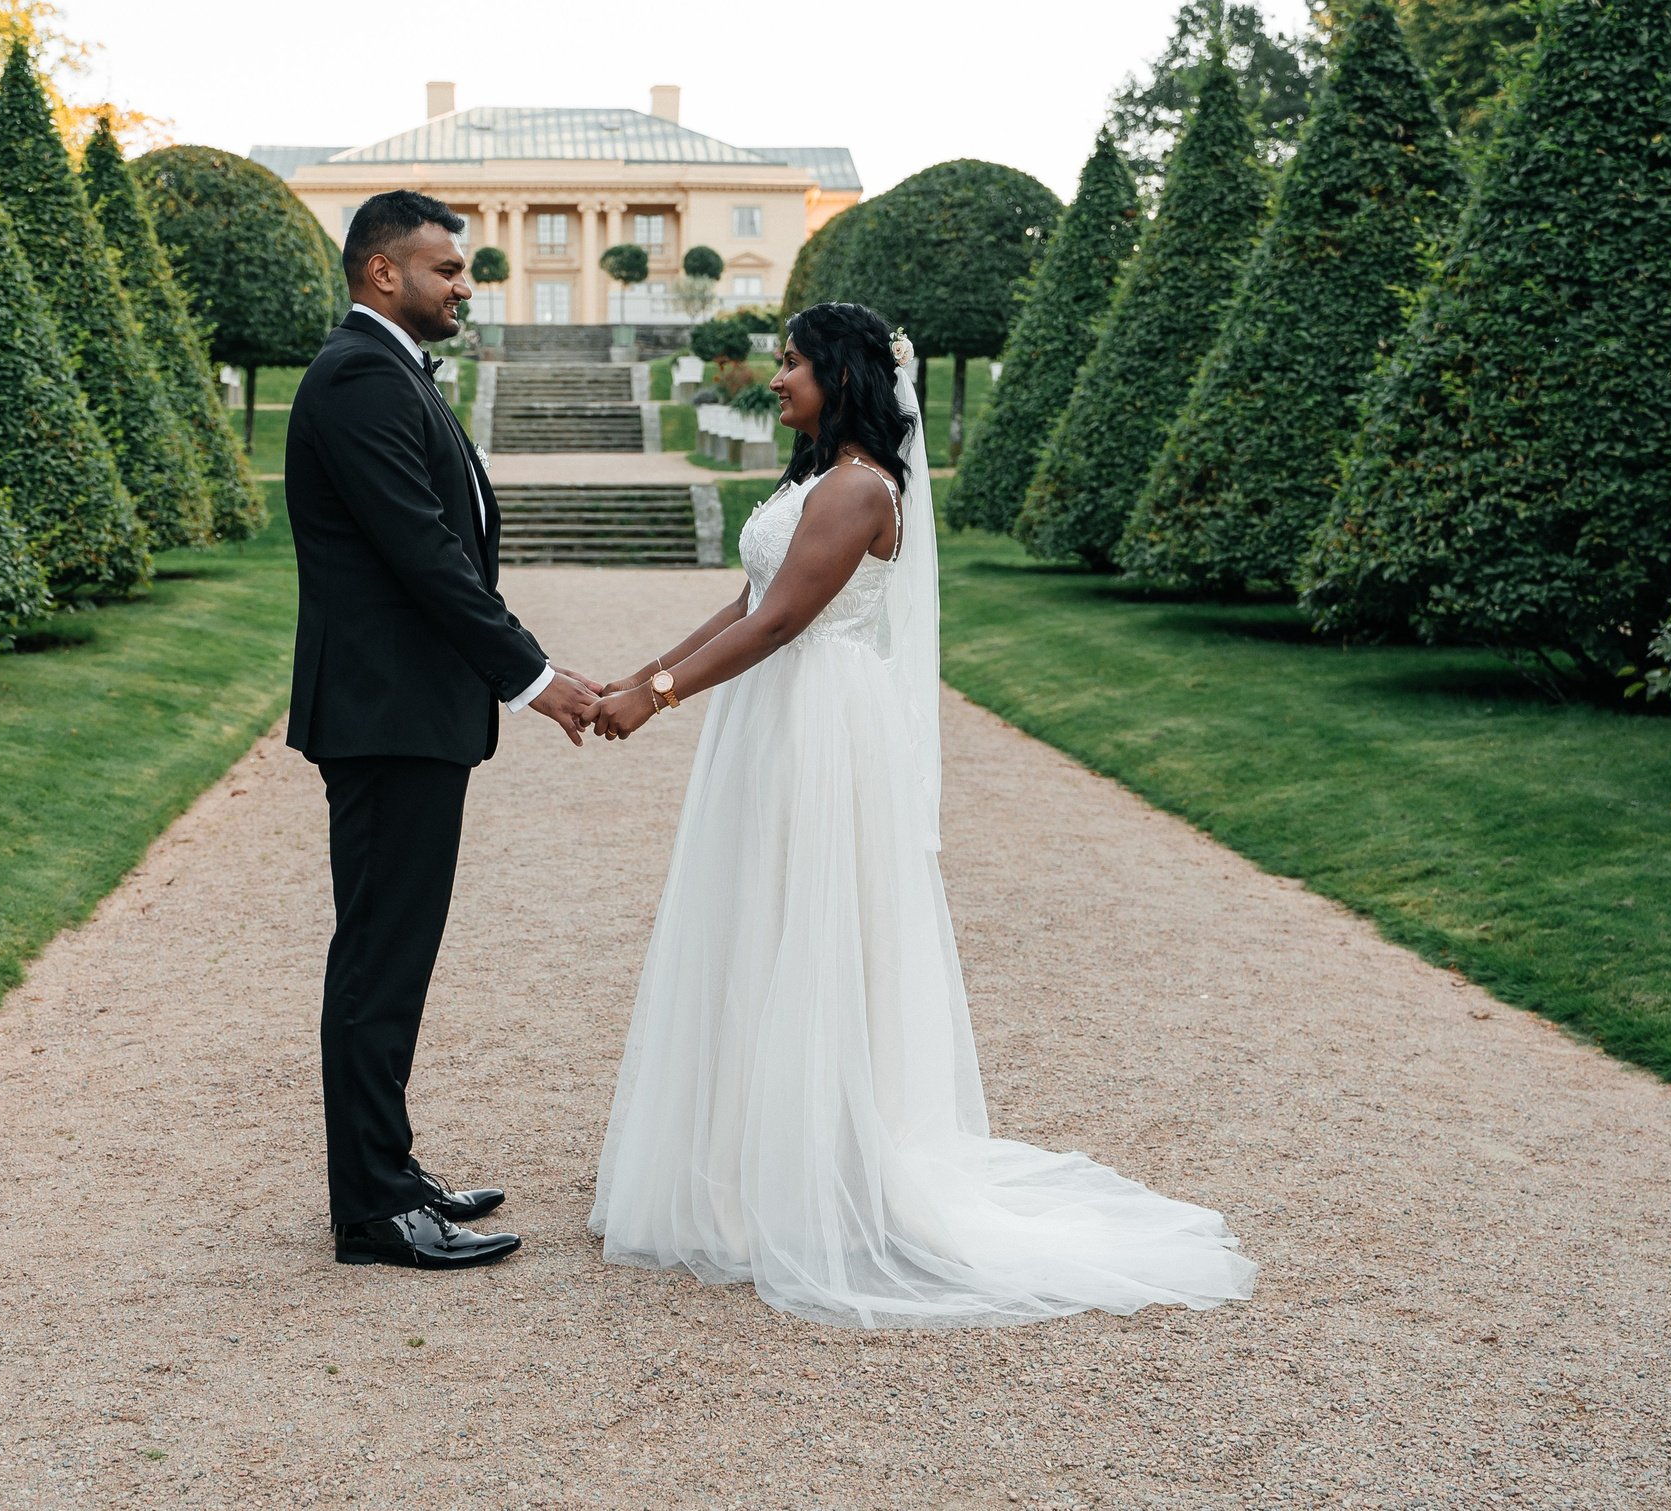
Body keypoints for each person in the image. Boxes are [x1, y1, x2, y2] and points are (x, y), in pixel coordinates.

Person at [583, 302, 1258, 1327]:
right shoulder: (814, 476)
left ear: (842, 376)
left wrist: (661, 698)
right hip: (771, 716)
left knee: (806, 926)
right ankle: (737, 1166)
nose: (777, 377)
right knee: (750, 917)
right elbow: (746, 599)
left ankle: (817, 1174)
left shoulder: (861, 487)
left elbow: (783, 620)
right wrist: (636, 676)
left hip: (817, 722)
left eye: (793, 362)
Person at [285, 189, 598, 1270]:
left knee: (395, 953)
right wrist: (534, 677)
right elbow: (425, 555)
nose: (467, 285)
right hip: (386, 714)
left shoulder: (391, 370)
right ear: (384, 272)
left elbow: (441, 548)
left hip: (407, 711)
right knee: (379, 958)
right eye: (447, 269)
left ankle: (388, 1165)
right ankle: (374, 1208)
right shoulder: (359, 376)